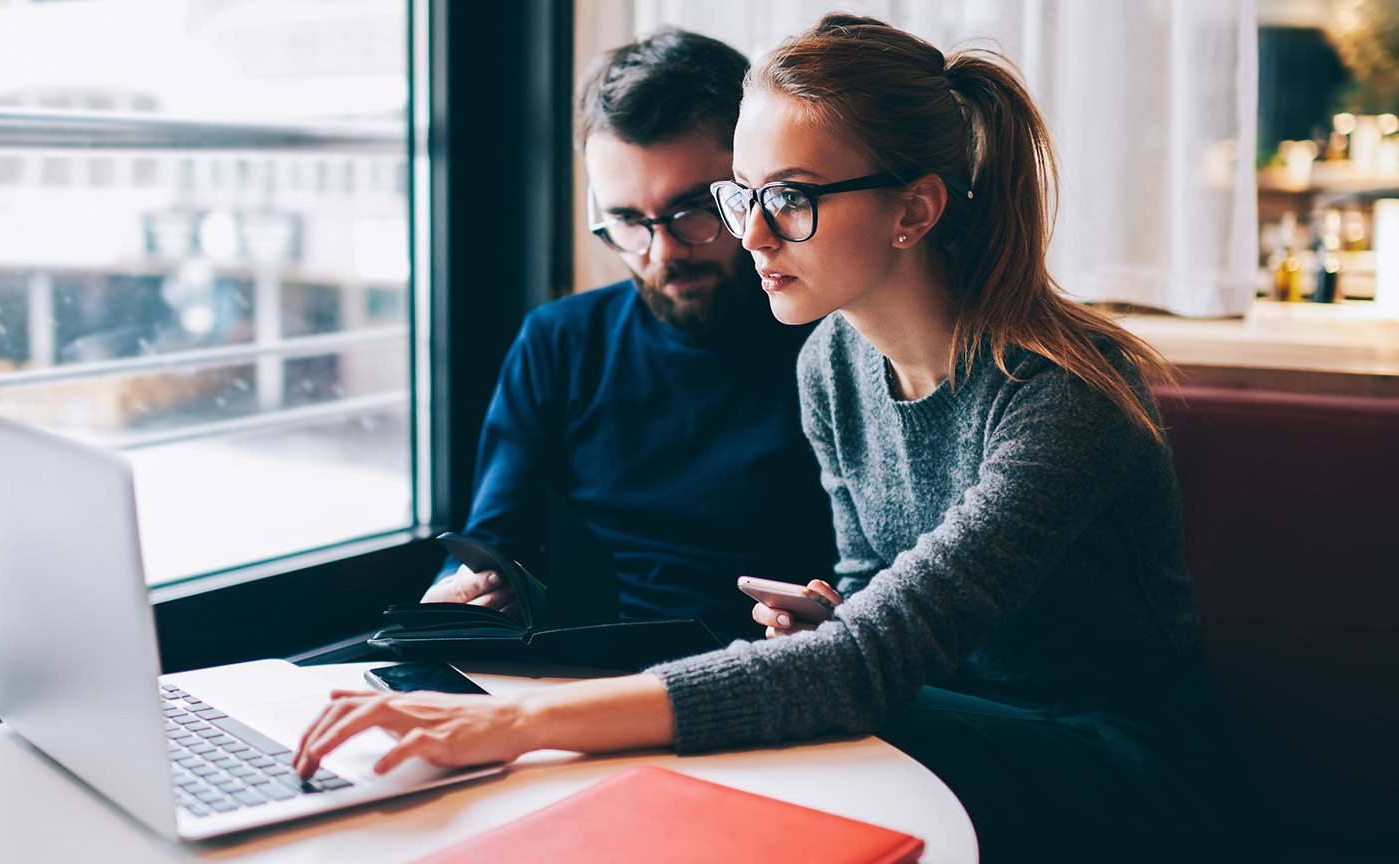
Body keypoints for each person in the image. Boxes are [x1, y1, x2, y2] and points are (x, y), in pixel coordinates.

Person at [299, 14, 1259, 863]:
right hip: (933, 723)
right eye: (740, 195)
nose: (751, 234)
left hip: (1123, 771)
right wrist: (830, 612)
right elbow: (869, 607)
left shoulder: (1063, 394)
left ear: (915, 210)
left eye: (789, 197)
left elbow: (874, 661)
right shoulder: (831, 365)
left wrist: (516, 723)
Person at [420, 29, 835, 640]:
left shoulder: (842, 351)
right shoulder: (561, 340)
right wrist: (462, 590)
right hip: (585, 675)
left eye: (694, 209)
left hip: (770, 678)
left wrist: (837, 627)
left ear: (755, 186)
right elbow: (492, 540)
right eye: (626, 221)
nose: (663, 252)